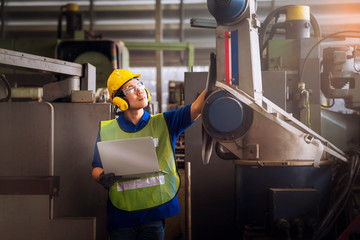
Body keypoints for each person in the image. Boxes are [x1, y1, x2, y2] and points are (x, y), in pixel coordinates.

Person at [91, 69, 205, 240]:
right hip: (121, 216)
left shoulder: (164, 123)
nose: (139, 90)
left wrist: (216, 81)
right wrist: (101, 177)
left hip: (153, 216)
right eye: (130, 89)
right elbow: (95, 167)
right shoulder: (107, 130)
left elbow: (196, 108)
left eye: (140, 85)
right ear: (119, 99)